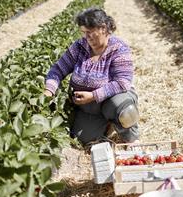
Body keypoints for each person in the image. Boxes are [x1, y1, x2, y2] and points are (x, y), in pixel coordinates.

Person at [44, 8, 139, 145]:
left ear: (103, 28)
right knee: (84, 138)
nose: (87, 38)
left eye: (90, 32)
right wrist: (49, 90)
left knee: (124, 111)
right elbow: (57, 70)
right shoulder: (79, 47)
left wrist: (93, 96)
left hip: (111, 100)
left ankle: (131, 139)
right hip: (88, 107)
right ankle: (108, 124)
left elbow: (122, 82)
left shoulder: (118, 48)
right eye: (83, 33)